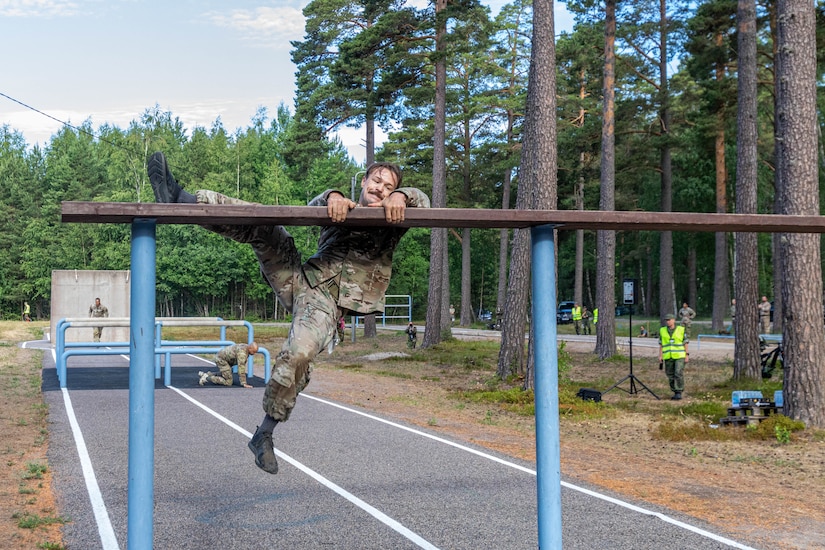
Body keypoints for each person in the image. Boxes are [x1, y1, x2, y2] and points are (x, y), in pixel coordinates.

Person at [148, 152, 430, 474]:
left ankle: (264, 433)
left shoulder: (394, 221)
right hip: (299, 278)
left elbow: (424, 200)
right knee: (264, 224)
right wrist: (332, 196)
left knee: (298, 354)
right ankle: (181, 199)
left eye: (388, 186)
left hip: (325, 304)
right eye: (376, 181)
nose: (380, 188)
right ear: (363, 183)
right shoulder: (343, 208)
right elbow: (312, 205)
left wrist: (403, 196)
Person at [659, 313, 689, 400]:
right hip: (668, 356)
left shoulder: (681, 330)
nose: (668, 322)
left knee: (678, 372)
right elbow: (661, 344)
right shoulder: (663, 330)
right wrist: (660, 355)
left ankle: (679, 391)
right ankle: (674, 390)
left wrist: (687, 354)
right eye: (666, 320)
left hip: (679, 355)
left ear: (674, 320)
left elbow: (685, 342)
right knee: (670, 374)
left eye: (669, 320)